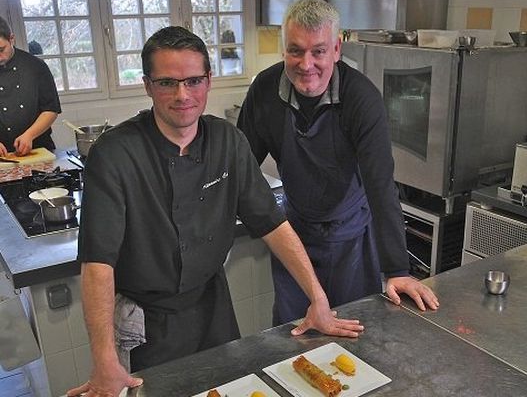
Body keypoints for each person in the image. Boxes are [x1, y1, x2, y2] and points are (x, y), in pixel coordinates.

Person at [67, 26, 363, 397]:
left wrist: (318, 299)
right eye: (166, 83)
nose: (182, 95)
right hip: (146, 322)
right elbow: (97, 264)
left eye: (193, 81)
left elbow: (273, 224)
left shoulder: (228, 141)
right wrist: (104, 361)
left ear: (209, 80)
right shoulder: (114, 154)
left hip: (212, 309)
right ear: (147, 85)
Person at [237, 0, 439, 326]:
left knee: (355, 334)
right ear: (283, 49)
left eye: (318, 51)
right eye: (295, 50)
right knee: (291, 338)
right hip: (296, 236)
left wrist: (398, 269)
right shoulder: (264, 91)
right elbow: (241, 168)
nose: (306, 64)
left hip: (353, 242)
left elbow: (380, 184)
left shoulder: (362, 99)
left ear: (336, 49)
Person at [0, 16, 60, 156]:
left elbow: (50, 109)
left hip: (38, 149)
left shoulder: (35, 66)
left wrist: (30, 135)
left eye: (1, 49)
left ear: (12, 39)